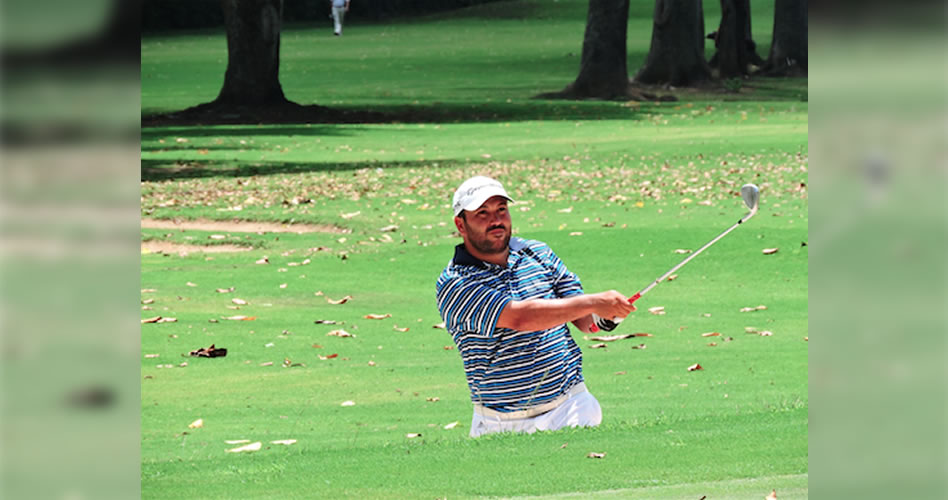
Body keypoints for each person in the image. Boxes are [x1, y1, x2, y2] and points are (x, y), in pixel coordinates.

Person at [436, 176, 636, 438]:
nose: (495, 220)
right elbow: (521, 317)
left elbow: (585, 321)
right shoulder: (455, 283)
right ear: (460, 224)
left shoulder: (538, 253)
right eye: (482, 213)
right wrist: (595, 301)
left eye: (501, 210)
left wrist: (608, 316)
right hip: (500, 423)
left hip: (570, 407)